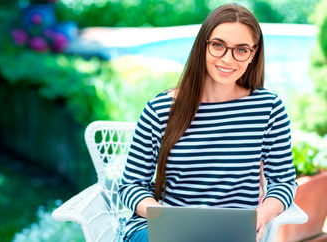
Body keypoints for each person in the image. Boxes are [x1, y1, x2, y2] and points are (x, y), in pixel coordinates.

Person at [118, 3, 297, 242]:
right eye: (218, 46)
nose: (227, 59)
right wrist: (164, 216)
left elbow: (283, 182)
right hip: (161, 232)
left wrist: (260, 215)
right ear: (203, 45)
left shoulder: (269, 109)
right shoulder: (160, 109)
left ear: (253, 54)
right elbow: (131, 185)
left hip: (229, 234)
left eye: (241, 50)